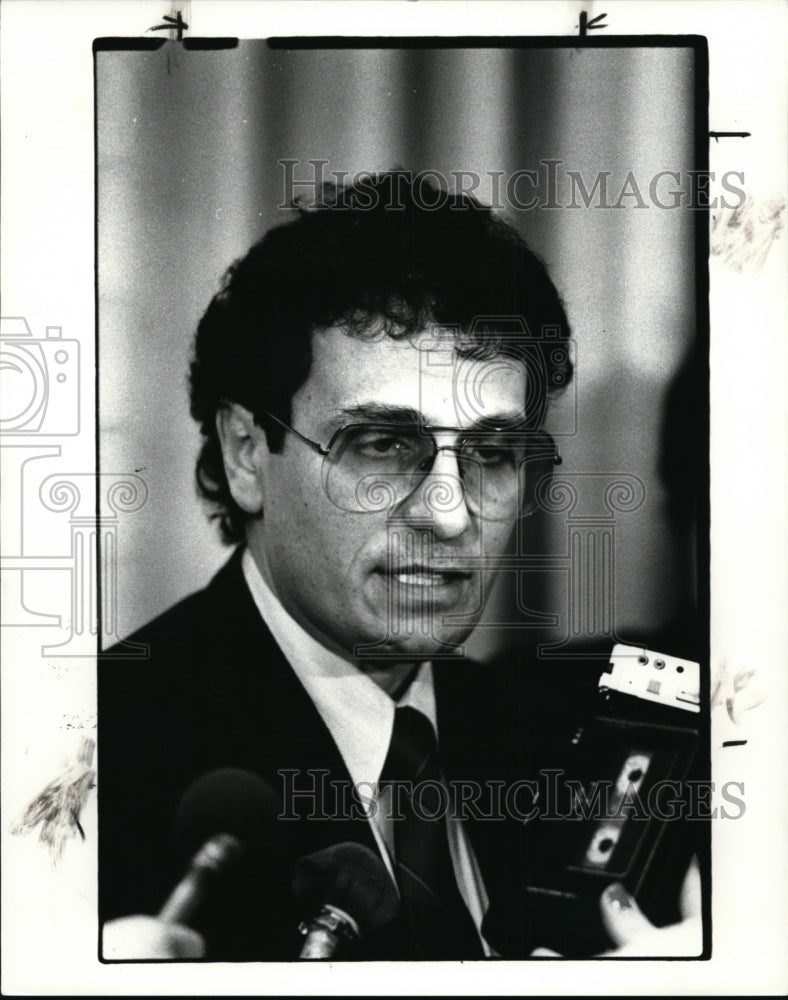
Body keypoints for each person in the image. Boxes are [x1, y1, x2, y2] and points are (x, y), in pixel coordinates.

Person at [99, 173, 702, 961]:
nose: (449, 512)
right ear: (247, 453)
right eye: (383, 445)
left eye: (491, 452)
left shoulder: (561, 742)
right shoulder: (96, 763)